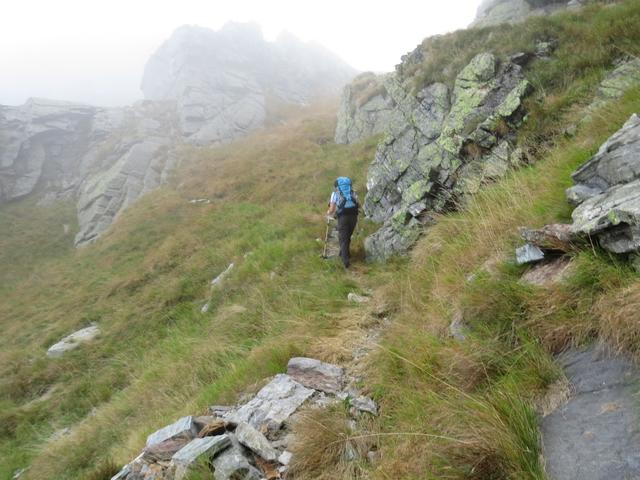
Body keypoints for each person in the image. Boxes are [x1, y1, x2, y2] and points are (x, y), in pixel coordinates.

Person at [326, 177, 359, 268]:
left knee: (343, 238)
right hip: (353, 216)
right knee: (347, 236)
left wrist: (328, 213)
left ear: (336, 185)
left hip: (343, 217)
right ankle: (345, 253)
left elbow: (332, 209)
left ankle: (345, 261)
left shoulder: (335, 193)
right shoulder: (353, 192)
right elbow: (358, 204)